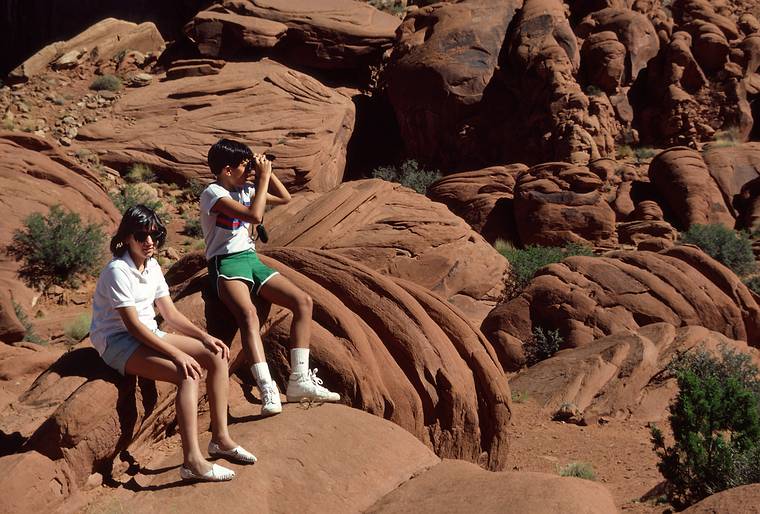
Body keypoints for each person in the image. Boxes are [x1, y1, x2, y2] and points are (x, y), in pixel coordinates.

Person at [90, 205, 256, 483]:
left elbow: (169, 313)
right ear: (126, 238)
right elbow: (132, 326)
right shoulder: (118, 271)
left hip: (148, 332)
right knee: (186, 374)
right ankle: (192, 462)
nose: (149, 242)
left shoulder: (151, 265)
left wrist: (203, 337)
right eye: (141, 235)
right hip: (116, 342)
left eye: (154, 235)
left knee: (216, 355)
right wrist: (177, 354)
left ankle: (221, 439)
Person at [200, 138, 340, 417]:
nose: (248, 171)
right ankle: (267, 387)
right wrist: (261, 178)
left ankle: (299, 380)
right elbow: (254, 215)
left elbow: (286, 197)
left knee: (303, 301)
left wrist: (267, 170)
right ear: (226, 170)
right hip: (225, 262)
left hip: (250, 259)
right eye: (243, 166)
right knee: (248, 315)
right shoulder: (213, 193)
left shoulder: (246, 188)